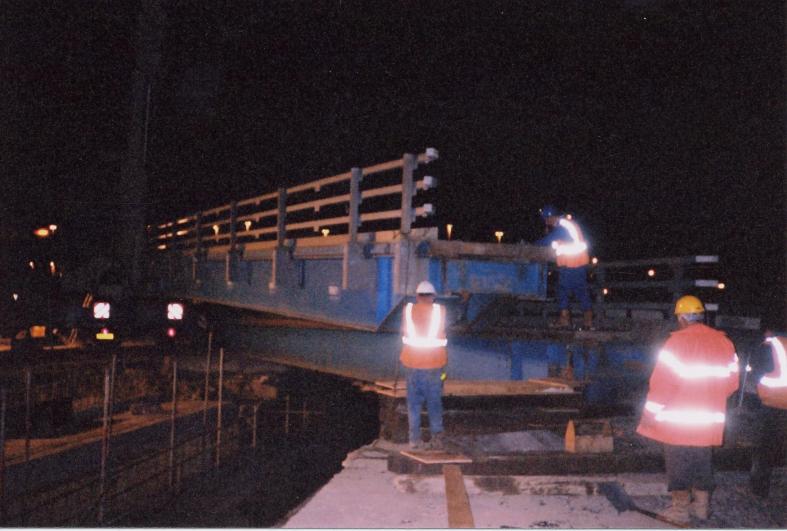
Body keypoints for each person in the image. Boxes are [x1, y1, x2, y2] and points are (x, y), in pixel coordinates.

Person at [636, 295, 739, 524]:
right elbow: (732, 384)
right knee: (703, 462)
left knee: (678, 464)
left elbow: (661, 386)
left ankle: (680, 510)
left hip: (678, 423)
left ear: (682, 318)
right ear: (701, 316)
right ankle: (701, 508)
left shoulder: (677, 343)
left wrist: (648, 418)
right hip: (707, 422)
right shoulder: (725, 343)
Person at [400, 280, 448, 450]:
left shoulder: (407, 310)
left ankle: (414, 440)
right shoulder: (439, 311)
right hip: (434, 366)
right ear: (433, 296)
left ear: (417, 295)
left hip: (412, 364)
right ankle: (437, 438)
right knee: (434, 403)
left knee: (413, 405)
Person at [534, 205, 592, 329]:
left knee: (562, 289)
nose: (546, 222)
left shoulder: (562, 226)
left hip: (570, 263)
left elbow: (548, 240)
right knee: (581, 290)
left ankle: (564, 319)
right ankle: (588, 320)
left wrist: (531, 245)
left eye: (546, 219)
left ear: (550, 217)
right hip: (578, 262)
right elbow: (557, 243)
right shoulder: (566, 224)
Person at [749, 334, 787, 498]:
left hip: (774, 404)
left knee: (765, 449)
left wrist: (759, 389)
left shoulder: (772, 345)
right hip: (776, 404)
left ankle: (759, 489)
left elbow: (756, 370)